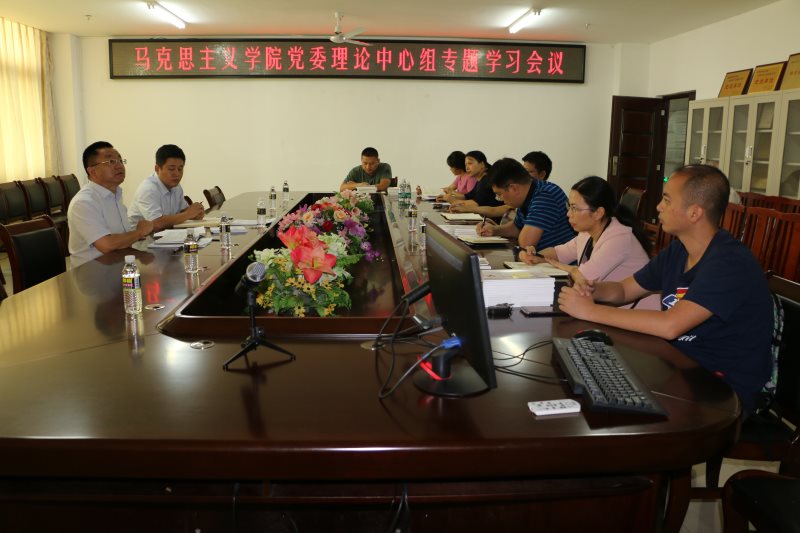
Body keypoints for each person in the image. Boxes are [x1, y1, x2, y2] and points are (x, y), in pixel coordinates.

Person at [558, 165, 773, 415]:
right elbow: (624, 290)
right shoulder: (679, 250)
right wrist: (593, 290)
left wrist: (589, 311)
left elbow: (670, 325)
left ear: (694, 213)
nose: (659, 207)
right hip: (680, 367)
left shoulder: (729, 262)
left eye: (667, 200)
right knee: (592, 386)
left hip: (722, 390)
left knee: (609, 412)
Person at [519, 176, 660, 310]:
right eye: (569, 206)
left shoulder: (619, 238)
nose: (568, 213)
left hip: (638, 314)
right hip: (608, 308)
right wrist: (534, 256)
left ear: (598, 213)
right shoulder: (586, 233)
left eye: (575, 208)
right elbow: (559, 253)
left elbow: (584, 278)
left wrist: (559, 265)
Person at [67, 141, 154, 267]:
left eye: (120, 160)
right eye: (111, 161)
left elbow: (120, 237)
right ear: (92, 171)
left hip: (118, 266)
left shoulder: (115, 196)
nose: (119, 166)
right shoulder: (83, 202)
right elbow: (106, 245)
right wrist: (139, 232)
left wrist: (137, 231)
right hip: (92, 273)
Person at [477, 157, 575, 249]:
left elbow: (526, 244)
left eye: (499, 194)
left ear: (513, 188)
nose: (501, 199)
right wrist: (494, 230)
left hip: (559, 260)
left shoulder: (545, 196)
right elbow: (516, 227)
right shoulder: (530, 191)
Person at [128, 144, 204, 231]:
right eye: (171, 169)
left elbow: (182, 211)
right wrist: (188, 214)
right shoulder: (148, 189)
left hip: (165, 234)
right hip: (142, 238)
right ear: (157, 168)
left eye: (180, 169)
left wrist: (195, 213)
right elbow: (156, 223)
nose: (177, 174)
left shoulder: (176, 187)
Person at [448, 150, 510, 220]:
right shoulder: (480, 180)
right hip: (486, 220)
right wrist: (453, 200)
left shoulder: (487, 181)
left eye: (470, 163)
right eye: (466, 165)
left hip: (492, 221)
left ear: (482, 164)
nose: (467, 168)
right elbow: (466, 196)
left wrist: (452, 200)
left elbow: (475, 204)